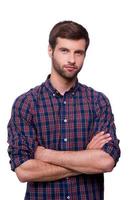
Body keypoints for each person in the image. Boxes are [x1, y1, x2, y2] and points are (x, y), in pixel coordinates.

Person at [7, 20, 120, 200]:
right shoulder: (26, 104)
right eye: (64, 50)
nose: (72, 60)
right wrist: (86, 158)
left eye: (79, 52)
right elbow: (24, 170)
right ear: (50, 51)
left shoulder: (98, 102)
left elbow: (106, 161)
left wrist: (45, 154)